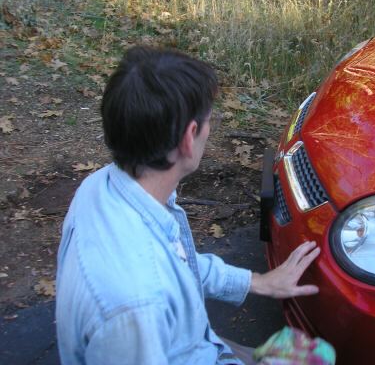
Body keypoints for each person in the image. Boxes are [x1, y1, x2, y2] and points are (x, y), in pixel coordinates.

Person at [56, 46, 320, 365]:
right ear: (188, 137)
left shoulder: (102, 187)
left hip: (194, 345)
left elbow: (177, 263)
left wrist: (259, 282)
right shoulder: (136, 307)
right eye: (208, 121)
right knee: (319, 357)